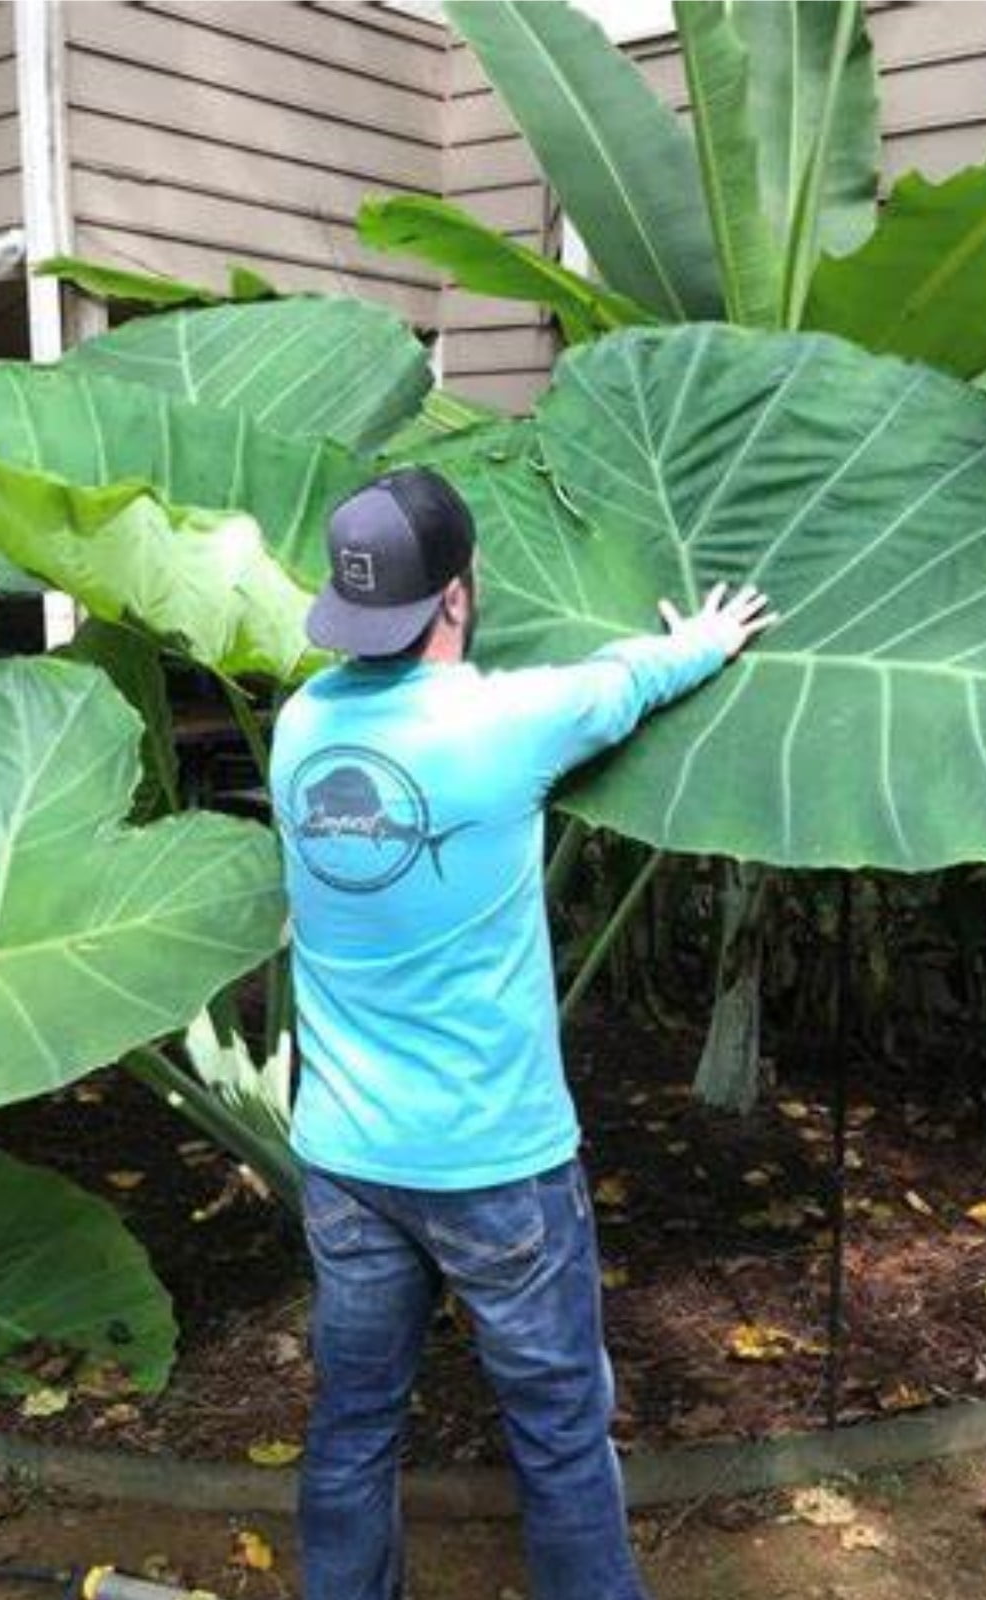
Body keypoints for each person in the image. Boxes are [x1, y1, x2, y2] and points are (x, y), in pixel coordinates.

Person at [270, 466, 774, 1600]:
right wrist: (703, 637)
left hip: (346, 1157)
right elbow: (622, 683)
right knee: (557, 1433)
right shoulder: (500, 724)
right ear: (456, 595)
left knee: (353, 1424)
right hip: (493, 1162)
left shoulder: (300, 727)